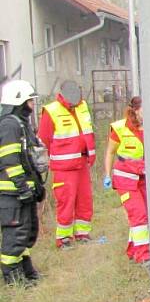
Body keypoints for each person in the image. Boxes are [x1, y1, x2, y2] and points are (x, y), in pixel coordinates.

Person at [38, 79, 95, 248]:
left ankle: (82, 233)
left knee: (85, 199)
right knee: (66, 201)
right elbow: (44, 140)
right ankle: (63, 238)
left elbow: (88, 133)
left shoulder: (82, 106)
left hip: (83, 163)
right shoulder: (51, 111)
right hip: (64, 167)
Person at [0, 80, 45, 284]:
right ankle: (13, 278)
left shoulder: (21, 124)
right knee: (15, 234)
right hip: (11, 194)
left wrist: (35, 185)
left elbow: (28, 158)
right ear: (19, 101)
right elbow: (10, 160)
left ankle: (26, 270)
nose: (32, 105)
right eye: (29, 101)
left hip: (21, 191)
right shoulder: (9, 125)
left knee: (25, 233)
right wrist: (22, 186)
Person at [103, 97, 149, 264]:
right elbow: (110, 152)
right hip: (125, 179)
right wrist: (107, 174)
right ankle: (143, 256)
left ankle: (133, 250)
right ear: (136, 110)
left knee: (145, 215)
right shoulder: (120, 128)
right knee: (139, 214)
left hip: (143, 178)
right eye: (144, 110)